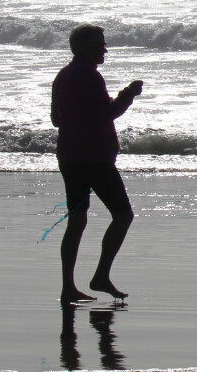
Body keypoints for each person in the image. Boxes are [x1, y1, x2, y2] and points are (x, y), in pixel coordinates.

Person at [52, 24, 143, 304]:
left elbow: (56, 120)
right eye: (100, 44)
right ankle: (101, 275)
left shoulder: (64, 76)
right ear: (86, 47)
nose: (105, 49)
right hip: (93, 159)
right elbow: (107, 113)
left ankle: (68, 286)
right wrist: (129, 94)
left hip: (69, 156)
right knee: (123, 215)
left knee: (77, 221)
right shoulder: (90, 77)